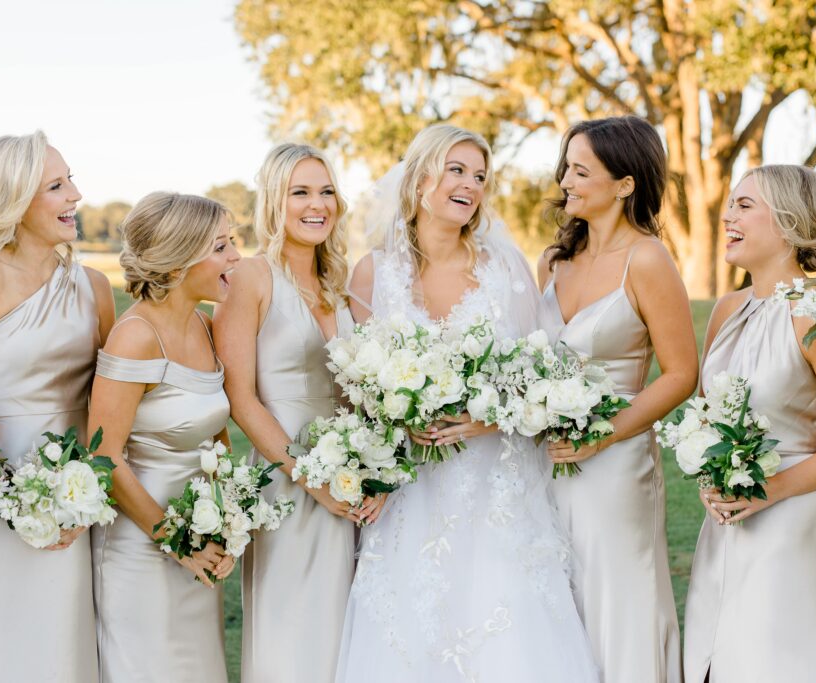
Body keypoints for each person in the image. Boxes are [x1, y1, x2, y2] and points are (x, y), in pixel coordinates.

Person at [335, 124, 598, 682]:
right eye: (457, 170)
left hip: (495, 483)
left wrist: (485, 419)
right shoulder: (373, 272)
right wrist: (382, 455)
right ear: (420, 177)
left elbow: (538, 376)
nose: (471, 185)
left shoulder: (504, 269)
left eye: (480, 176)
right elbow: (358, 389)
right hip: (412, 488)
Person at [684, 165, 816, 682]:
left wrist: (772, 490)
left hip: (792, 517)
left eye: (744, 206)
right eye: (729, 205)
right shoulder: (726, 309)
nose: (727, 216)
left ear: (788, 222)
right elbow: (708, 414)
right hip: (728, 518)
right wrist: (710, 481)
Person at [0, 131, 113, 682]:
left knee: (70, 645)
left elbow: (112, 406)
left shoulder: (93, 286)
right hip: (0, 498)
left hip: (83, 494)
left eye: (72, 181)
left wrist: (91, 486)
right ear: (14, 200)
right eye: (58, 186)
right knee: (10, 643)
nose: (76, 197)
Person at [537, 116, 695, 682]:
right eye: (567, 168)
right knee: (557, 599)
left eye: (581, 171)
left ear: (625, 184)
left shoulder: (647, 261)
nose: (567, 181)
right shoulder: (553, 262)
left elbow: (681, 374)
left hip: (616, 465)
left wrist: (602, 434)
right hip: (546, 461)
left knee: (618, 600)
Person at [214, 143, 372, 682]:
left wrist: (373, 471)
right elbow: (240, 398)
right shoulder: (251, 278)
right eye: (300, 192)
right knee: (294, 638)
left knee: (346, 638)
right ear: (274, 203)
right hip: (287, 483)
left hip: (350, 484)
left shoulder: (339, 286)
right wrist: (310, 478)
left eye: (327, 191)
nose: (317, 204)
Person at [89, 192, 240, 682]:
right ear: (179, 261)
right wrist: (178, 542)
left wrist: (225, 520)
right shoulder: (134, 336)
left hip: (200, 538)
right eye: (221, 246)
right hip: (142, 547)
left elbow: (218, 440)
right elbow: (105, 459)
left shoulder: (205, 324)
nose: (235, 257)